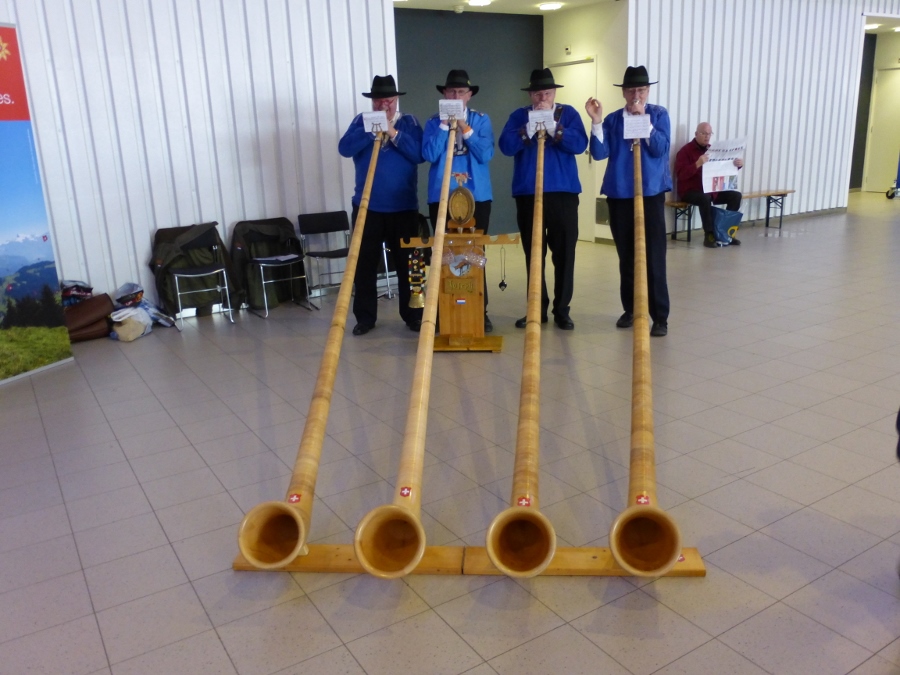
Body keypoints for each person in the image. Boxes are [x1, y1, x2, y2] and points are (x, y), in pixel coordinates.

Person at [499, 68, 588, 331]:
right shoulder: (519, 115)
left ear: (554, 94)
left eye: (547, 93)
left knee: (564, 254)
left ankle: (562, 310)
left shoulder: (568, 113)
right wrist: (528, 128)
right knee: (534, 254)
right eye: (537, 94)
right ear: (530, 95)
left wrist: (555, 129)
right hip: (528, 193)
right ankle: (536, 308)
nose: (542, 98)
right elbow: (505, 146)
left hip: (563, 193)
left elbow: (579, 144)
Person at [338, 75, 424, 336]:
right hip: (367, 207)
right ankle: (365, 318)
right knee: (363, 264)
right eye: (378, 100)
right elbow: (344, 148)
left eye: (388, 99)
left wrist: (392, 132)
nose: (383, 104)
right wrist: (371, 130)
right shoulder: (360, 121)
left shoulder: (409, 122)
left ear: (396, 99)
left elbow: (419, 154)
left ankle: (414, 315)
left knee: (410, 265)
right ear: (372, 101)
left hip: (403, 208)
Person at [422, 70, 495, 333]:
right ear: (444, 94)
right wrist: (444, 125)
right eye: (451, 91)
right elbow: (429, 154)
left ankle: (479, 310)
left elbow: (486, 154)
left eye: (461, 92)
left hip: (477, 196)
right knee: (444, 254)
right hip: (442, 195)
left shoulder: (481, 120)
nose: (456, 96)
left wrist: (464, 125)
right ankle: (443, 310)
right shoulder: (433, 122)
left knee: (475, 252)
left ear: (469, 95)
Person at [675, 122, 744, 248]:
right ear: (696, 134)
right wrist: (697, 164)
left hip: (711, 189)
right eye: (703, 133)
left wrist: (737, 165)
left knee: (736, 196)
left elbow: (723, 168)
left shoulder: (713, 150)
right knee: (705, 198)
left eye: (709, 134)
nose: (707, 136)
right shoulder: (685, 151)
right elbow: (680, 175)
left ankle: (725, 233)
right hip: (691, 190)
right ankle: (709, 234)